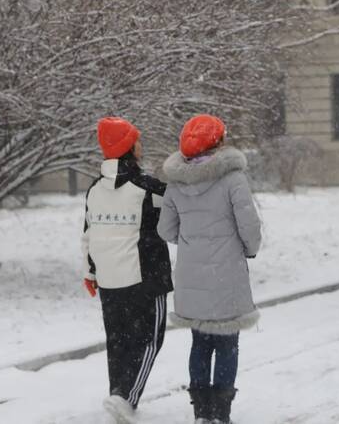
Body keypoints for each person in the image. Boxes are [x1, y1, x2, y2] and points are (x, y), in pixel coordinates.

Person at [157, 114, 261, 424]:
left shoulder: (176, 184)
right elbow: (249, 226)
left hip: (192, 276)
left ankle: (201, 412)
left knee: (200, 343)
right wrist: (249, 249)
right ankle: (222, 413)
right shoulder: (232, 179)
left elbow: (165, 230)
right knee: (227, 342)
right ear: (218, 142)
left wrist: (192, 243)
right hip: (226, 274)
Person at [81, 117, 173, 424]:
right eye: (138, 140)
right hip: (144, 278)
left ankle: (118, 395)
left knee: (118, 341)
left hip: (108, 279)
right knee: (149, 339)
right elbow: (182, 205)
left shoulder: (94, 190)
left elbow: (88, 233)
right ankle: (126, 397)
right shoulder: (148, 189)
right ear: (129, 147)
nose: (141, 145)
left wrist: (90, 272)